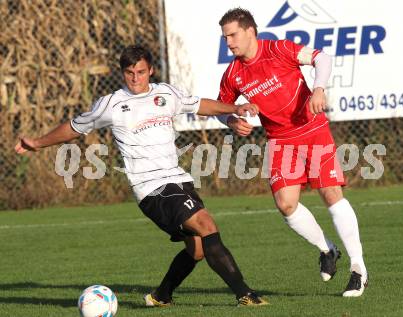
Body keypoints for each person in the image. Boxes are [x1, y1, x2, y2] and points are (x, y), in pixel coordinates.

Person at [15, 45, 268, 307]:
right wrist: (37, 142)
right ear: (122, 73)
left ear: (151, 71)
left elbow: (199, 105)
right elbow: (74, 128)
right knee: (207, 225)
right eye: (129, 72)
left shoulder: (165, 93)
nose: (135, 78)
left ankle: (160, 296)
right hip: (151, 188)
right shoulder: (111, 104)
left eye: (141, 72)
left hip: (177, 179)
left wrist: (233, 111)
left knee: (198, 249)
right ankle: (246, 295)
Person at [216, 8, 368, 297]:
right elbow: (222, 107)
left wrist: (319, 89)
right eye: (225, 38)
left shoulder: (280, 49)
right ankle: (328, 249)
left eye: (232, 35)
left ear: (250, 31)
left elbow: (321, 58)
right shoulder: (233, 74)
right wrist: (232, 120)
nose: (229, 43)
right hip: (280, 140)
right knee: (286, 205)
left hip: (312, 130)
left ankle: (358, 270)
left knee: (331, 194)